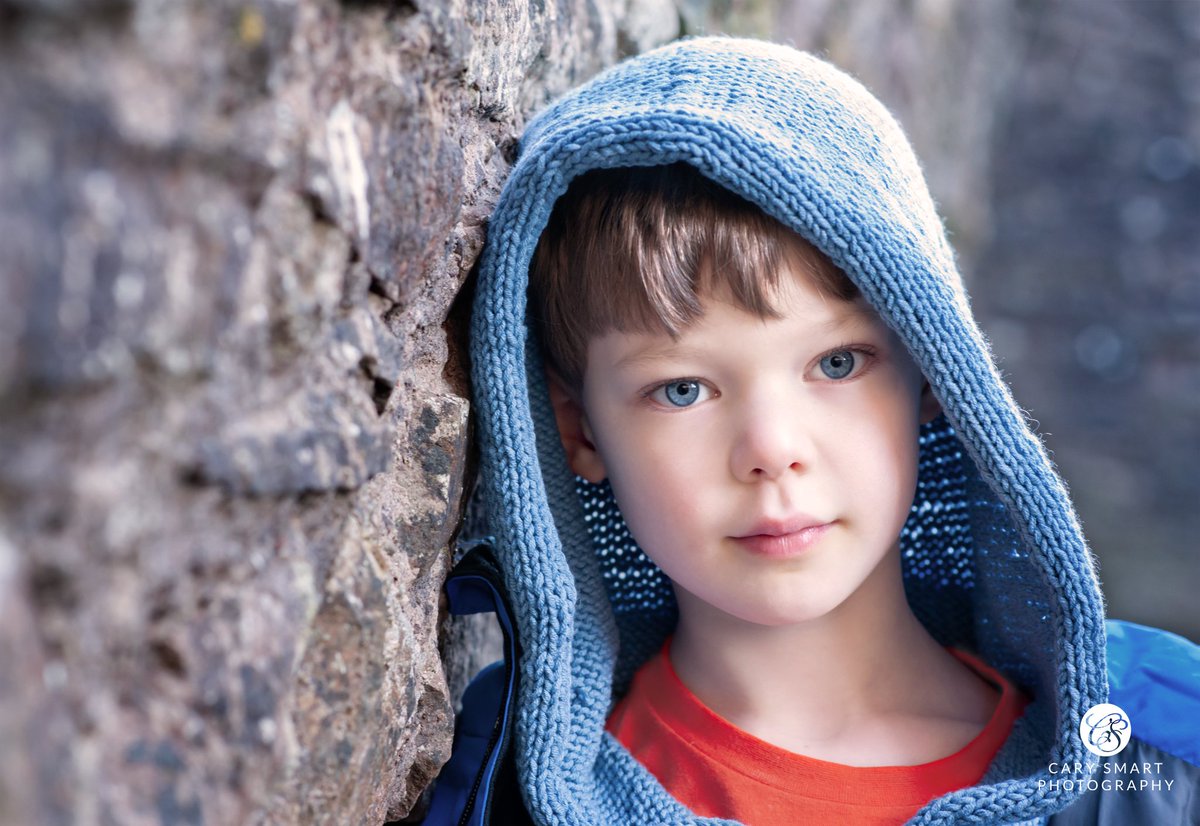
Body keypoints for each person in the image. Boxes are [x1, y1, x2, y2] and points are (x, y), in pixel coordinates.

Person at [426, 36, 1200, 825]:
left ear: (933, 375)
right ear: (577, 433)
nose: (771, 449)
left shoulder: (1163, 755)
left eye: (837, 364)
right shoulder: (508, 786)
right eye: (683, 389)